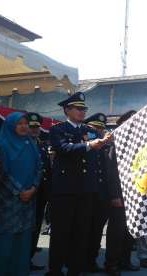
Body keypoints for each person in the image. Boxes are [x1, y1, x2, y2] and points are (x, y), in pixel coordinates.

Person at [46, 92, 112, 276]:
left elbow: (101, 155)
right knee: (61, 233)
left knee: (81, 233)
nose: (82, 112)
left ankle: (76, 269)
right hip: (65, 191)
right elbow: (64, 148)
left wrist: (104, 141)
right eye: (79, 108)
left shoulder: (90, 131)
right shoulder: (58, 130)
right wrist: (91, 145)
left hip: (86, 190)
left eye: (84, 109)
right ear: (67, 110)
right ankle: (55, 270)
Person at [0, 112, 42, 276]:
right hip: (8, 202)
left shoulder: (30, 143)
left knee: (23, 241)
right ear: (11, 126)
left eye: (26, 123)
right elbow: (3, 174)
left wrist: (33, 188)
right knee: (6, 241)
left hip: (28, 201)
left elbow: (39, 167)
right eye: (20, 124)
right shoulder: (3, 145)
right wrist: (19, 191)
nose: (24, 126)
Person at [104, 110, 140, 276]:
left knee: (130, 231)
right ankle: (112, 264)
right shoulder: (115, 144)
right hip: (119, 195)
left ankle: (125, 261)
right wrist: (114, 196)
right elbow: (111, 173)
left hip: (133, 195)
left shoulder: (136, 145)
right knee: (116, 232)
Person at [84, 113, 111, 272]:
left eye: (101, 128)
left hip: (102, 195)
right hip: (86, 194)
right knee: (83, 229)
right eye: (95, 128)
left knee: (96, 231)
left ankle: (91, 261)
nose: (99, 131)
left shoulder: (106, 147)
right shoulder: (86, 145)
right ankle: (78, 261)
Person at [27, 112, 52, 271]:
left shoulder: (42, 145)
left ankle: (28, 258)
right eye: (31, 126)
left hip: (41, 194)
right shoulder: (22, 144)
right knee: (25, 229)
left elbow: (47, 171)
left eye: (37, 127)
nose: (35, 129)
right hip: (25, 194)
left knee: (36, 227)